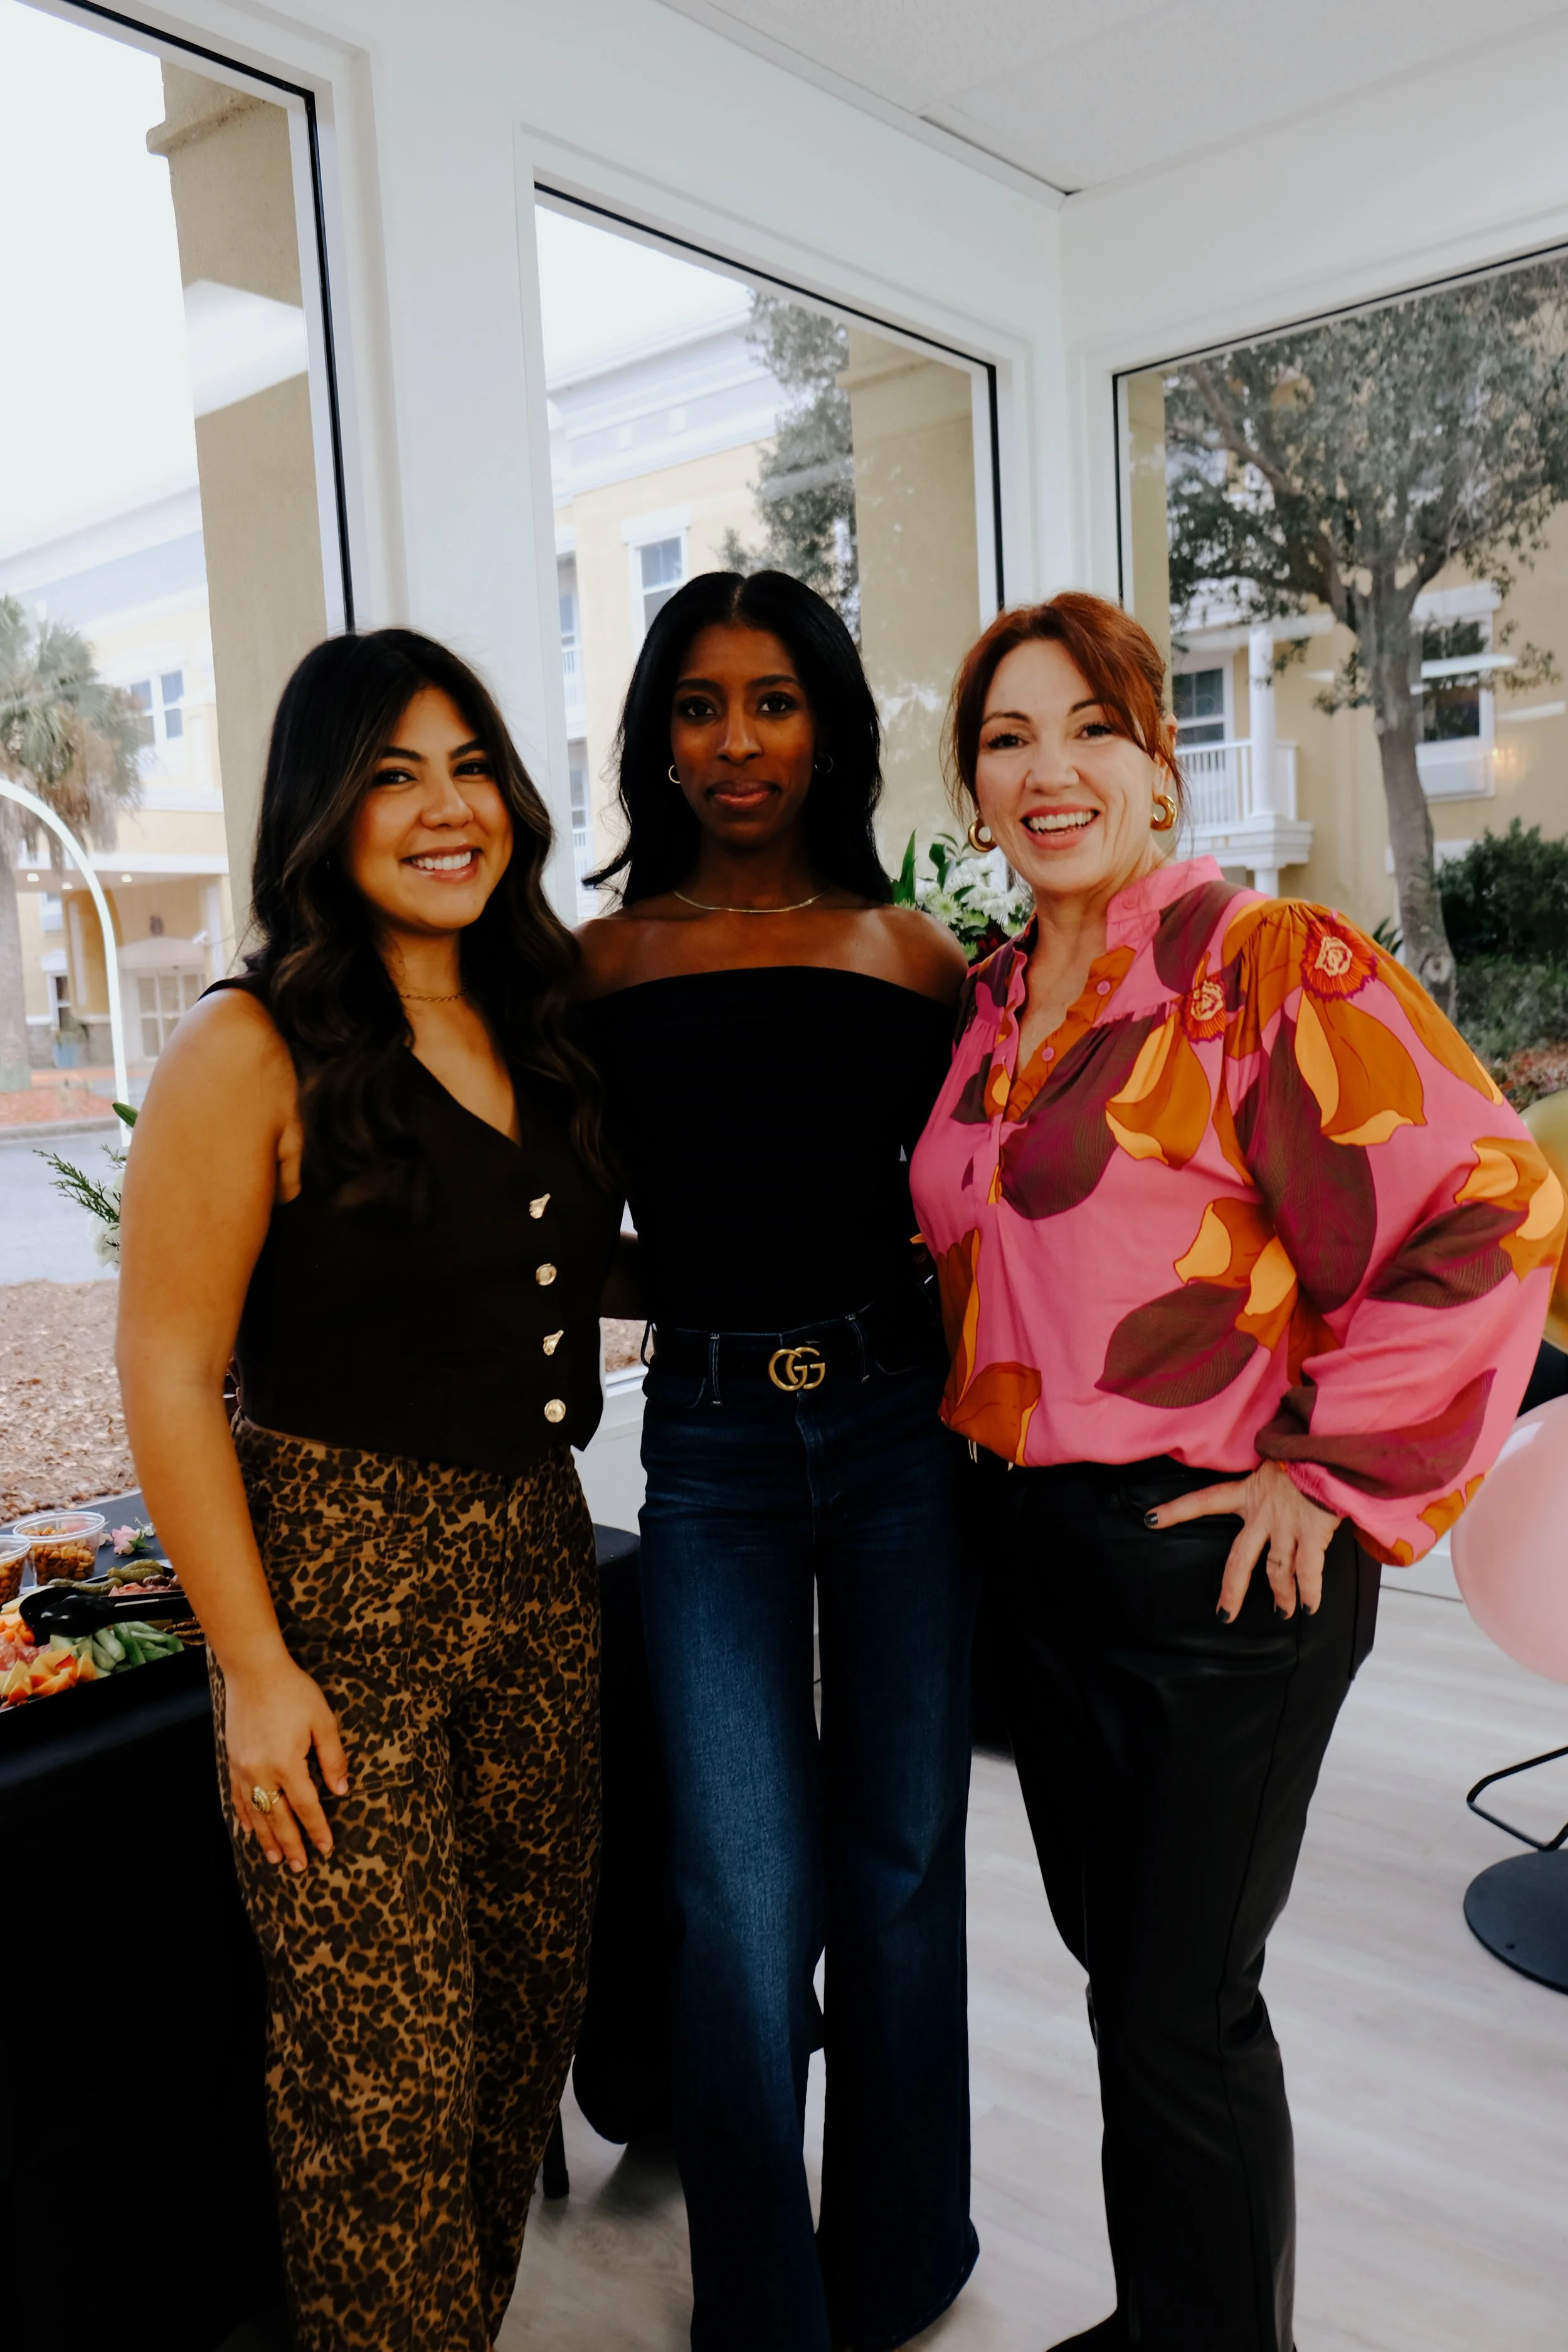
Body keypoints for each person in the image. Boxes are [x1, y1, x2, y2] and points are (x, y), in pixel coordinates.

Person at [909, 592, 1565, 2352]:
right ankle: (1170, 2319)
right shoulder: (989, 1005)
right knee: (1128, 1984)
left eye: (1091, 727)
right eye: (1006, 738)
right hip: (1035, 1552)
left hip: (1222, 1564)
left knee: (1181, 2009)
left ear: (1160, 766)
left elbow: (1491, 1202)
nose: (1049, 769)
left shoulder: (1261, 964)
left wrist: (1330, 1470)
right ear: (974, 790)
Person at [116, 630, 619, 2352]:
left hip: (537, 1566)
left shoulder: (537, 1013)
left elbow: (541, 1265)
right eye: (394, 775)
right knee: (382, 2078)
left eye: (470, 767)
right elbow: (169, 1373)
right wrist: (253, 1669)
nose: (444, 809)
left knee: (522, 2022)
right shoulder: (245, 1046)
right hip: (336, 1596)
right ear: (322, 811)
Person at [574, 569, 978, 2352]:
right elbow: (569, 1232)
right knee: (739, 1891)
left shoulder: (912, 957)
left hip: (900, 1434)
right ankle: (762, 2307)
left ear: (829, 730)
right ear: (657, 740)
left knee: (901, 1864)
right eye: (697, 705)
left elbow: (971, 1217)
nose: (735, 742)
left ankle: (901, 2260)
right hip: (714, 1446)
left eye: (772, 701)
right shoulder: (597, 970)